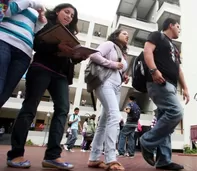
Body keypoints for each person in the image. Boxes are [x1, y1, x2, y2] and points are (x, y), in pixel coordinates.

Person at [6, 3, 84, 170]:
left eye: (72, 15)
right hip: (41, 68)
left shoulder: (71, 34)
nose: (69, 16)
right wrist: (57, 46)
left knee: (63, 110)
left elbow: (70, 58)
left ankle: (52, 156)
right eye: (66, 12)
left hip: (61, 74)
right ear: (57, 12)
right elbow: (36, 44)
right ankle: (16, 154)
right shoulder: (44, 24)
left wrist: (78, 55)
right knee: (29, 108)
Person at [140, 18, 189, 170]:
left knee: (165, 122)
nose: (180, 29)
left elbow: (179, 70)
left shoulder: (174, 47)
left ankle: (163, 160)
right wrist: (154, 71)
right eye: (178, 26)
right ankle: (147, 141)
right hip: (160, 82)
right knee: (176, 112)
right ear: (171, 25)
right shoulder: (157, 36)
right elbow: (147, 51)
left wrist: (185, 88)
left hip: (172, 86)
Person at [87, 29, 129, 171]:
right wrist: (113, 64)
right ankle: (111, 159)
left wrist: (123, 75)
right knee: (114, 117)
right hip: (105, 83)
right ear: (116, 35)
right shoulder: (109, 44)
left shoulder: (121, 53)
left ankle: (94, 158)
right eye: (124, 33)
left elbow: (118, 69)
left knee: (104, 122)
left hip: (116, 87)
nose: (127, 35)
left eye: (128, 35)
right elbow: (93, 55)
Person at [0, 0, 46, 108]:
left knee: (5, 93)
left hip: (24, 52)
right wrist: (31, 3)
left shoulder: (34, 10)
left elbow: (33, 32)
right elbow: (3, 11)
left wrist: (40, 21)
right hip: (3, 41)